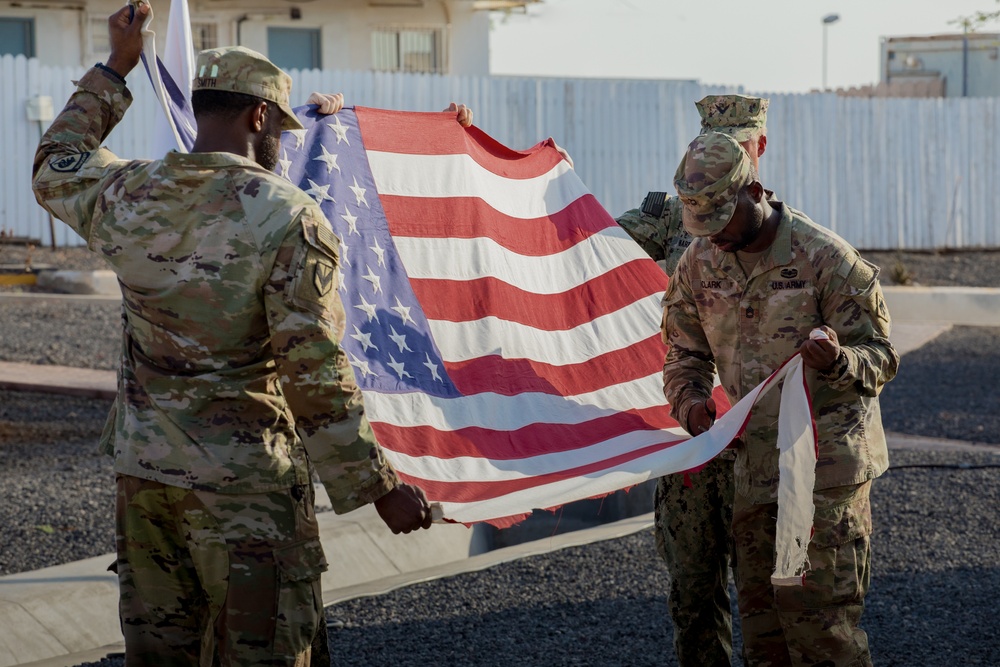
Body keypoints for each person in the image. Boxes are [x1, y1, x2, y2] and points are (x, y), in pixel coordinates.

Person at [31, 7, 467, 666]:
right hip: (247, 502)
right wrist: (379, 487)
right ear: (259, 117)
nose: (286, 146)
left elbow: (56, 162)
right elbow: (313, 372)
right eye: (282, 130)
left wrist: (116, 63)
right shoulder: (289, 218)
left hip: (146, 487)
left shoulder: (129, 193)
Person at [664, 131, 898, 666]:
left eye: (722, 221)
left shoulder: (826, 259)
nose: (713, 236)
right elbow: (683, 352)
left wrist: (839, 360)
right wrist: (691, 404)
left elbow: (881, 355)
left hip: (824, 480)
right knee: (764, 638)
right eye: (701, 225)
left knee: (822, 636)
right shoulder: (700, 262)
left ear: (755, 192)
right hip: (754, 478)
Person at [614, 94, 769, 667]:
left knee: (769, 595)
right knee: (693, 592)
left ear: (760, 146)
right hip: (695, 438)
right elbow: (583, 248)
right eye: (713, 141)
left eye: (740, 142)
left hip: (758, 445)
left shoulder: (786, 231)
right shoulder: (668, 214)